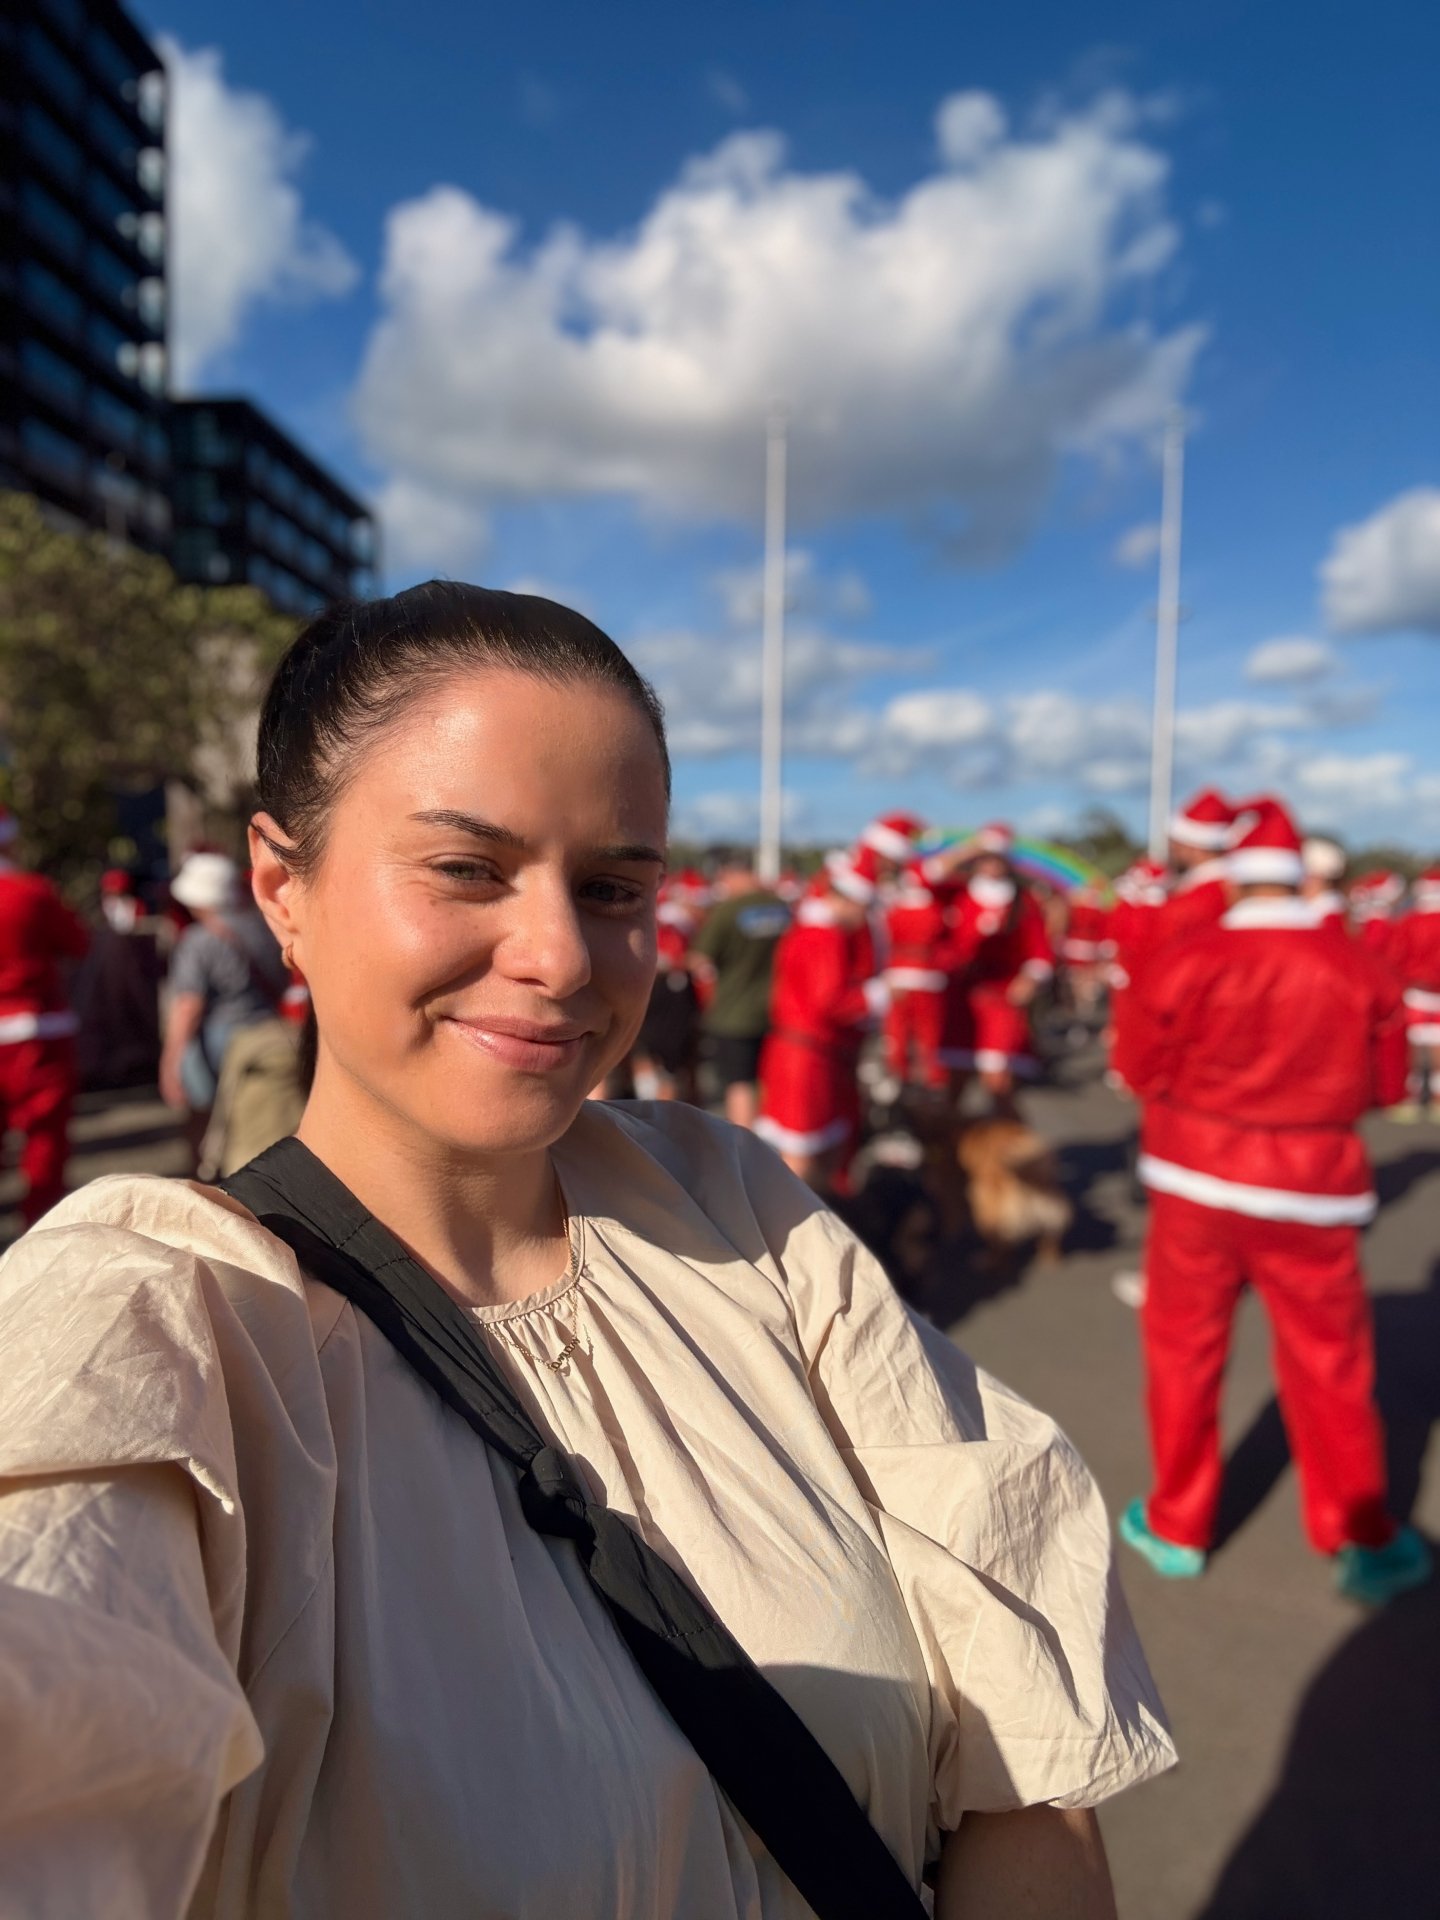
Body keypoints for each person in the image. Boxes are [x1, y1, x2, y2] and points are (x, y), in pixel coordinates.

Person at [0, 584, 1174, 1917]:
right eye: (465, 868)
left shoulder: (734, 1207)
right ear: (282, 884)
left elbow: (1030, 1760)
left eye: (614, 886)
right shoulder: (160, 1317)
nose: (564, 959)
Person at [1113, 797, 1431, 1606]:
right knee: (1331, 1365)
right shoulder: (1357, 964)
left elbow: (1140, 1065)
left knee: (1182, 1353)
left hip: (1196, 1182)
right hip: (1312, 1191)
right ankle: (1361, 1537)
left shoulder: (1191, 954)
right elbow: (1390, 1086)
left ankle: (1180, 1522)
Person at [754, 853, 888, 1189]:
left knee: (817, 1148)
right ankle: (794, 1232)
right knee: (803, 1153)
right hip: (808, 1058)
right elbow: (831, 1001)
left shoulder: (812, 929)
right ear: (844, 898)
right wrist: (876, 996)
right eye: (863, 905)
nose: (865, 916)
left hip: (805, 1052)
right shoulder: (825, 936)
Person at [159, 851, 291, 1159]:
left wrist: (170, 1061)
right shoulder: (263, 928)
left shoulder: (198, 939)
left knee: (205, 1119)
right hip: (268, 1035)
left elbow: (188, 1005)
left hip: (217, 1039)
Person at [0, 808, 88, 1226]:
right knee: (44, 1143)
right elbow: (78, 943)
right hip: (37, 1033)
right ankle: (37, 1234)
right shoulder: (32, 892)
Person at [934, 826, 1053, 1112]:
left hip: (1001, 999)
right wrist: (971, 846)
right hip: (961, 999)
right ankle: (952, 1146)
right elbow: (929, 873)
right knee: (955, 1082)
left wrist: (1030, 980)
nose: (991, 864)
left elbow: (1041, 953)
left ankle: (1005, 1148)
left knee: (998, 1081)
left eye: (997, 858)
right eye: (986, 857)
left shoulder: (1023, 902)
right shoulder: (957, 893)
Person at [690, 849, 790, 1128]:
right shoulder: (782, 906)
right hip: (777, 1009)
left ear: (730, 875)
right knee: (768, 1080)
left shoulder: (728, 911)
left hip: (735, 1013)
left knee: (739, 1083)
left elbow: (700, 960)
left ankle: (745, 1151)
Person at [1378, 865, 1440, 1120]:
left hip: (1413, 988)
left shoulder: (1406, 921)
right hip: (1432, 990)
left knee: (1412, 1044)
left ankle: (1412, 1096)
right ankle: (1437, 1098)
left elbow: (1394, 956)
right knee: (1437, 1043)